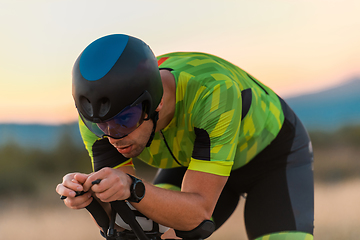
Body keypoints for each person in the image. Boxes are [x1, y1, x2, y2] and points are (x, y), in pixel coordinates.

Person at [56, 33, 314, 240]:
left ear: (155, 103)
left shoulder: (212, 92)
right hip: (191, 162)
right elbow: (126, 221)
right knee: (153, 230)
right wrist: (88, 196)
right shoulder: (99, 119)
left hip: (271, 159)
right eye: (100, 125)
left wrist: (133, 187)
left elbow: (197, 215)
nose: (113, 137)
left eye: (125, 119)